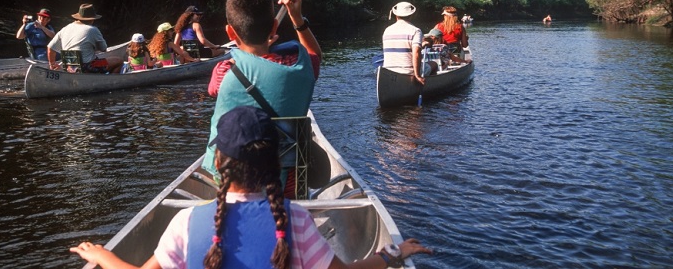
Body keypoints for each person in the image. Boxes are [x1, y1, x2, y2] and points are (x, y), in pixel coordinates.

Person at [70, 106, 433, 269]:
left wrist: (103, 256)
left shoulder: (185, 224)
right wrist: (391, 254)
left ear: (218, 163)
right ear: (275, 165)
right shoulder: (295, 223)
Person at [204, 0, 321, 196]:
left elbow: (214, 89)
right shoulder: (302, 65)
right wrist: (297, 18)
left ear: (230, 32)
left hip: (232, 182)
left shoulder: (224, 71)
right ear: (274, 27)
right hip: (288, 186)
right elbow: (314, 53)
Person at [46, 4, 123, 73]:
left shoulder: (66, 28)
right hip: (88, 67)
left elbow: (50, 48)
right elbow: (104, 48)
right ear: (92, 19)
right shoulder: (93, 29)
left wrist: (52, 64)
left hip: (70, 68)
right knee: (118, 61)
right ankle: (108, 82)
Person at [382, 1, 426, 85]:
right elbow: (416, 53)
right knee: (434, 64)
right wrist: (417, 75)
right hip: (407, 73)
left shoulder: (387, 30)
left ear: (396, 15)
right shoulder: (415, 30)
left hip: (388, 71)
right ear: (412, 15)